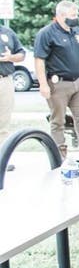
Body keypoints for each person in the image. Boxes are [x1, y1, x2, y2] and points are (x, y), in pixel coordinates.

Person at [34, 0, 79, 159]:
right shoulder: (47, 33)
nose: (75, 18)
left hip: (78, 83)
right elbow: (39, 60)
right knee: (58, 121)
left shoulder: (77, 32)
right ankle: (60, 154)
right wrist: (43, 84)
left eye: (76, 15)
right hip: (58, 84)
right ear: (60, 16)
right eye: (72, 15)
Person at [0, 24, 26, 171]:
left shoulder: (7, 32)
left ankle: (2, 161)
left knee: (3, 122)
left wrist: (10, 57)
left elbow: (21, 54)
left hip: (5, 80)